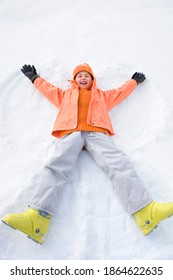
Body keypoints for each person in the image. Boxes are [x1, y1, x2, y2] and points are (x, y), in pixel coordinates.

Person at [2, 63, 173, 244]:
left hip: (96, 133)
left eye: (87, 76)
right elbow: (49, 90)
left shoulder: (102, 96)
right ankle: (36, 218)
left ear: (93, 80)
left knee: (119, 164)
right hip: (71, 132)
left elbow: (120, 92)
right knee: (56, 167)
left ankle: (145, 212)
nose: (83, 78)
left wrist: (133, 82)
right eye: (79, 76)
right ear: (74, 80)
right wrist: (34, 78)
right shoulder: (65, 95)